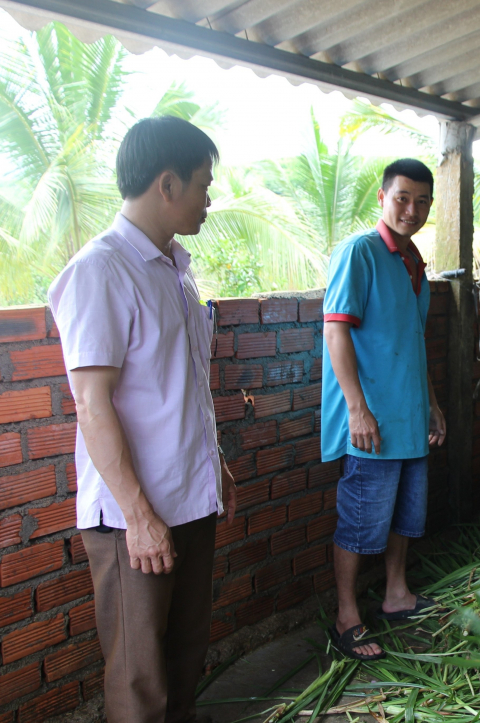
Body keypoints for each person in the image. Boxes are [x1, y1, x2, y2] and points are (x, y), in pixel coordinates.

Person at [48, 116, 236, 723]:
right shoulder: (101, 270)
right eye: (203, 185)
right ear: (167, 184)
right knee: (140, 679)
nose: (209, 200)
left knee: (184, 658)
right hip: (136, 515)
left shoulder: (174, 270)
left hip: (189, 499)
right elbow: (92, 403)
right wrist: (138, 517)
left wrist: (215, 467)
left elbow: (182, 386)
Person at [321, 158, 447, 660]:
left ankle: (397, 594)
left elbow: (414, 343)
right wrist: (357, 409)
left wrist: (432, 404)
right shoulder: (361, 252)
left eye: (422, 202)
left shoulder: (413, 263)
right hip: (371, 422)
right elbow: (336, 330)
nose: (411, 210)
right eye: (402, 198)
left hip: (408, 418)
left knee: (405, 516)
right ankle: (346, 617)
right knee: (360, 522)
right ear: (382, 198)